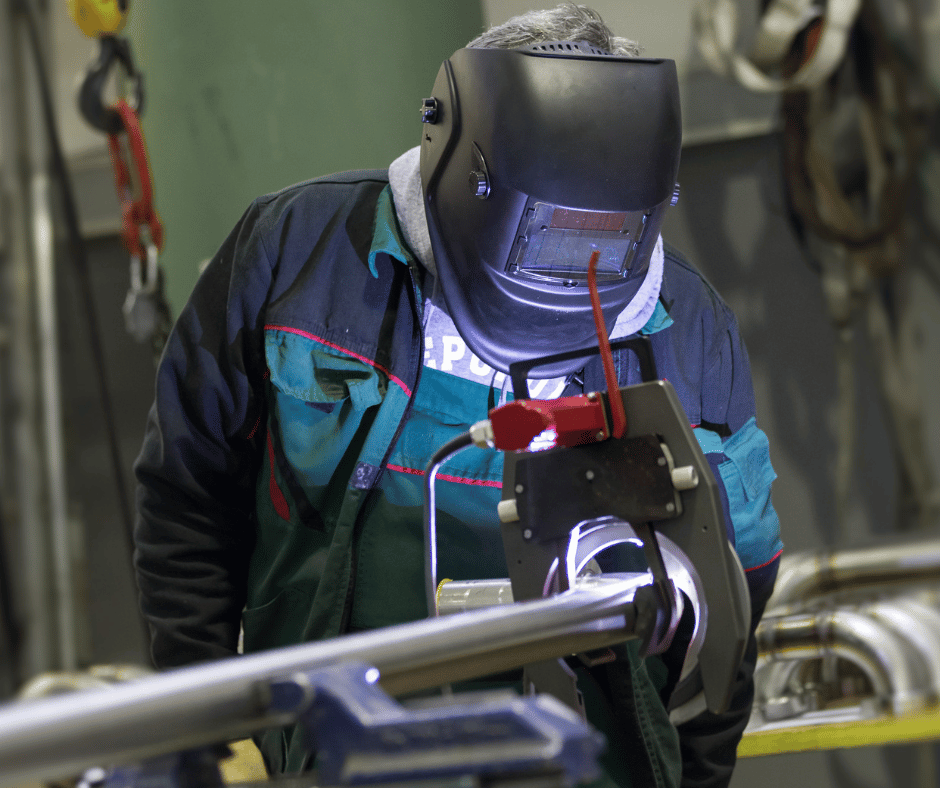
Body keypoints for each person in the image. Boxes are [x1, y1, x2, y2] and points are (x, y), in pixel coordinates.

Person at [133, 5, 782, 787]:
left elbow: (735, 585)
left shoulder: (690, 327)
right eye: (546, 230)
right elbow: (187, 500)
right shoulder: (299, 256)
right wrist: (213, 737)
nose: (568, 265)